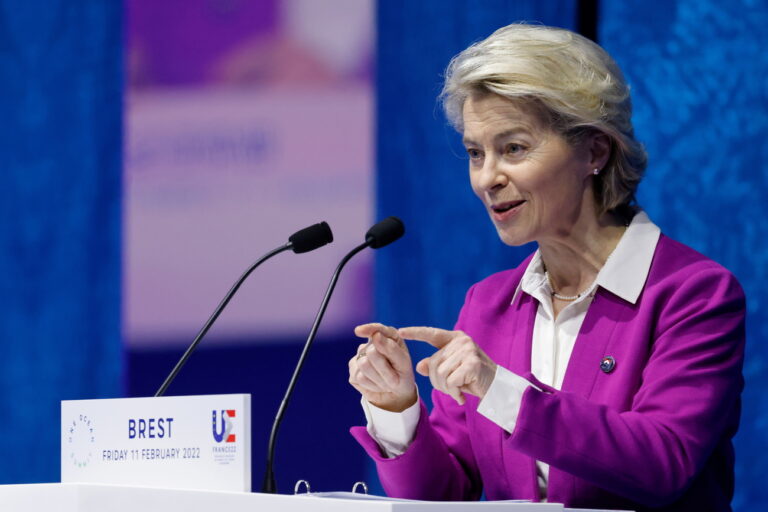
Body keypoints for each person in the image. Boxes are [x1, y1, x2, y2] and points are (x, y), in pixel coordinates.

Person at [347, 23, 745, 511]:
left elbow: (663, 461)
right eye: (476, 153)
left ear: (594, 151)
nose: (487, 178)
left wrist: (498, 387)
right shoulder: (489, 305)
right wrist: (397, 407)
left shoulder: (693, 294)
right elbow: (445, 494)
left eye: (513, 148)